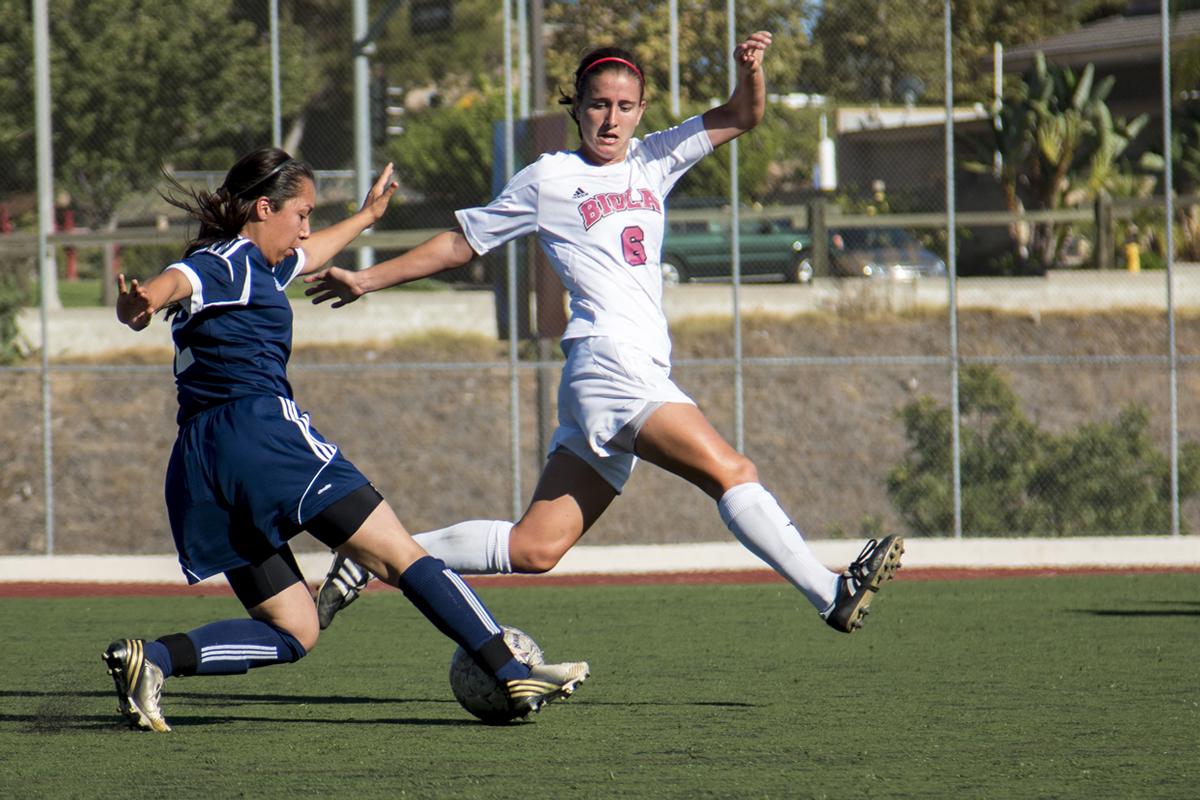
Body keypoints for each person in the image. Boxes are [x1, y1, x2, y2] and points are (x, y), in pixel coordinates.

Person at [308, 32, 903, 636]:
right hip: (610, 363)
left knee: (534, 548)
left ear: (641, 111)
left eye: (624, 106)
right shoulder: (550, 177)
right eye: (597, 104)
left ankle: (369, 554)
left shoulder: (656, 157)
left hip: (621, 373)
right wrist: (366, 279)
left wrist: (750, 70)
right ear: (577, 108)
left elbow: (744, 114)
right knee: (733, 472)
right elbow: (462, 243)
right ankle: (830, 592)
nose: (611, 118)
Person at [104, 148, 587, 733]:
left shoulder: (257, 264)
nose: (306, 227)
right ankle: (510, 671)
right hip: (262, 434)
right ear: (264, 207)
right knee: (400, 555)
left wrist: (365, 218)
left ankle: (153, 659)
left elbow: (306, 256)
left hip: (199, 464)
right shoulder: (227, 260)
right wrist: (143, 302)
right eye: (301, 212)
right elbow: (177, 282)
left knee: (295, 629)